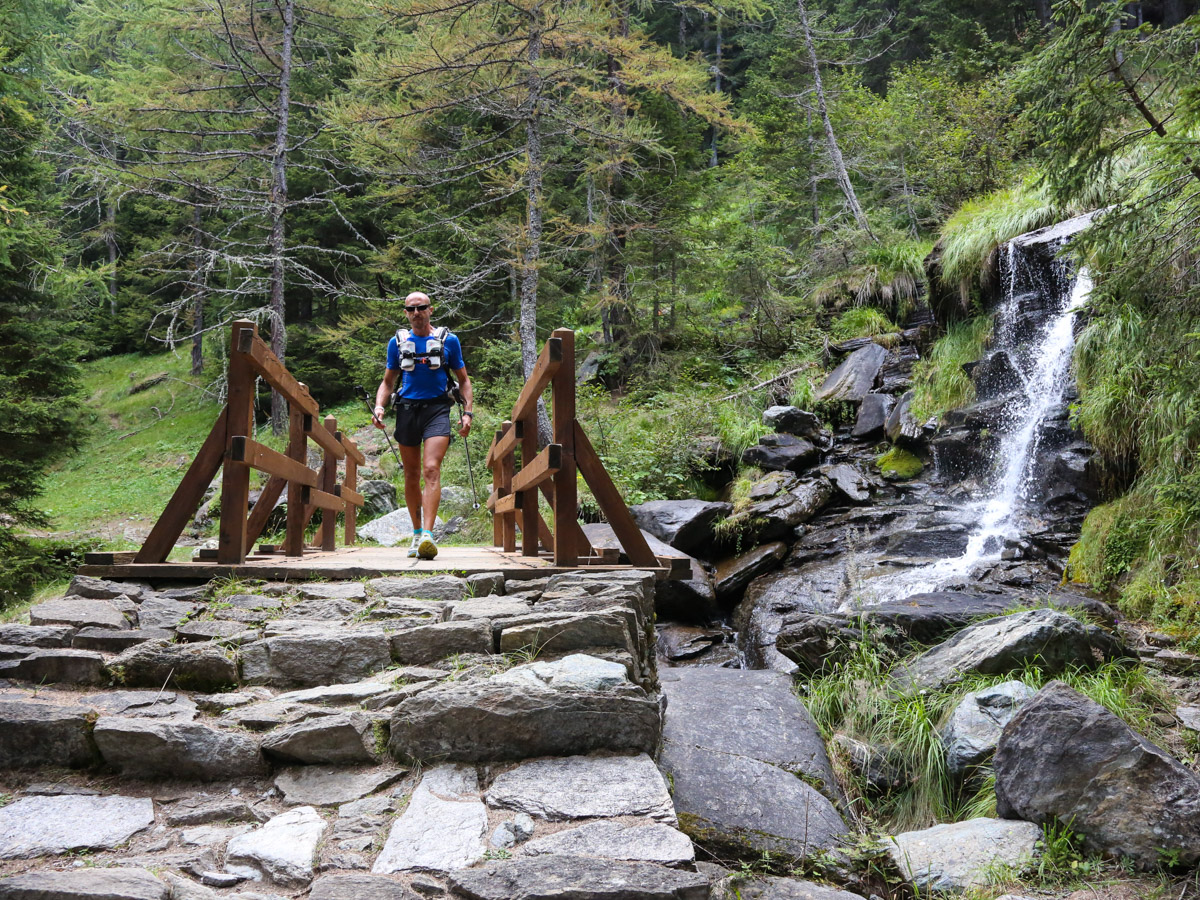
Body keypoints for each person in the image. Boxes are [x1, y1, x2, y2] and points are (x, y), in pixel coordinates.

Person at [372, 291, 474, 559]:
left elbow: (463, 380)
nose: (416, 313)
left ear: (430, 310)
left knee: (431, 469)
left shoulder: (448, 341)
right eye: (411, 309)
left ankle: (429, 535)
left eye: (421, 308)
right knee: (410, 473)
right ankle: (416, 534)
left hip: (437, 409)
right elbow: (387, 382)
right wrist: (380, 406)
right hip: (406, 410)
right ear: (405, 313)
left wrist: (468, 412)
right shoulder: (397, 343)